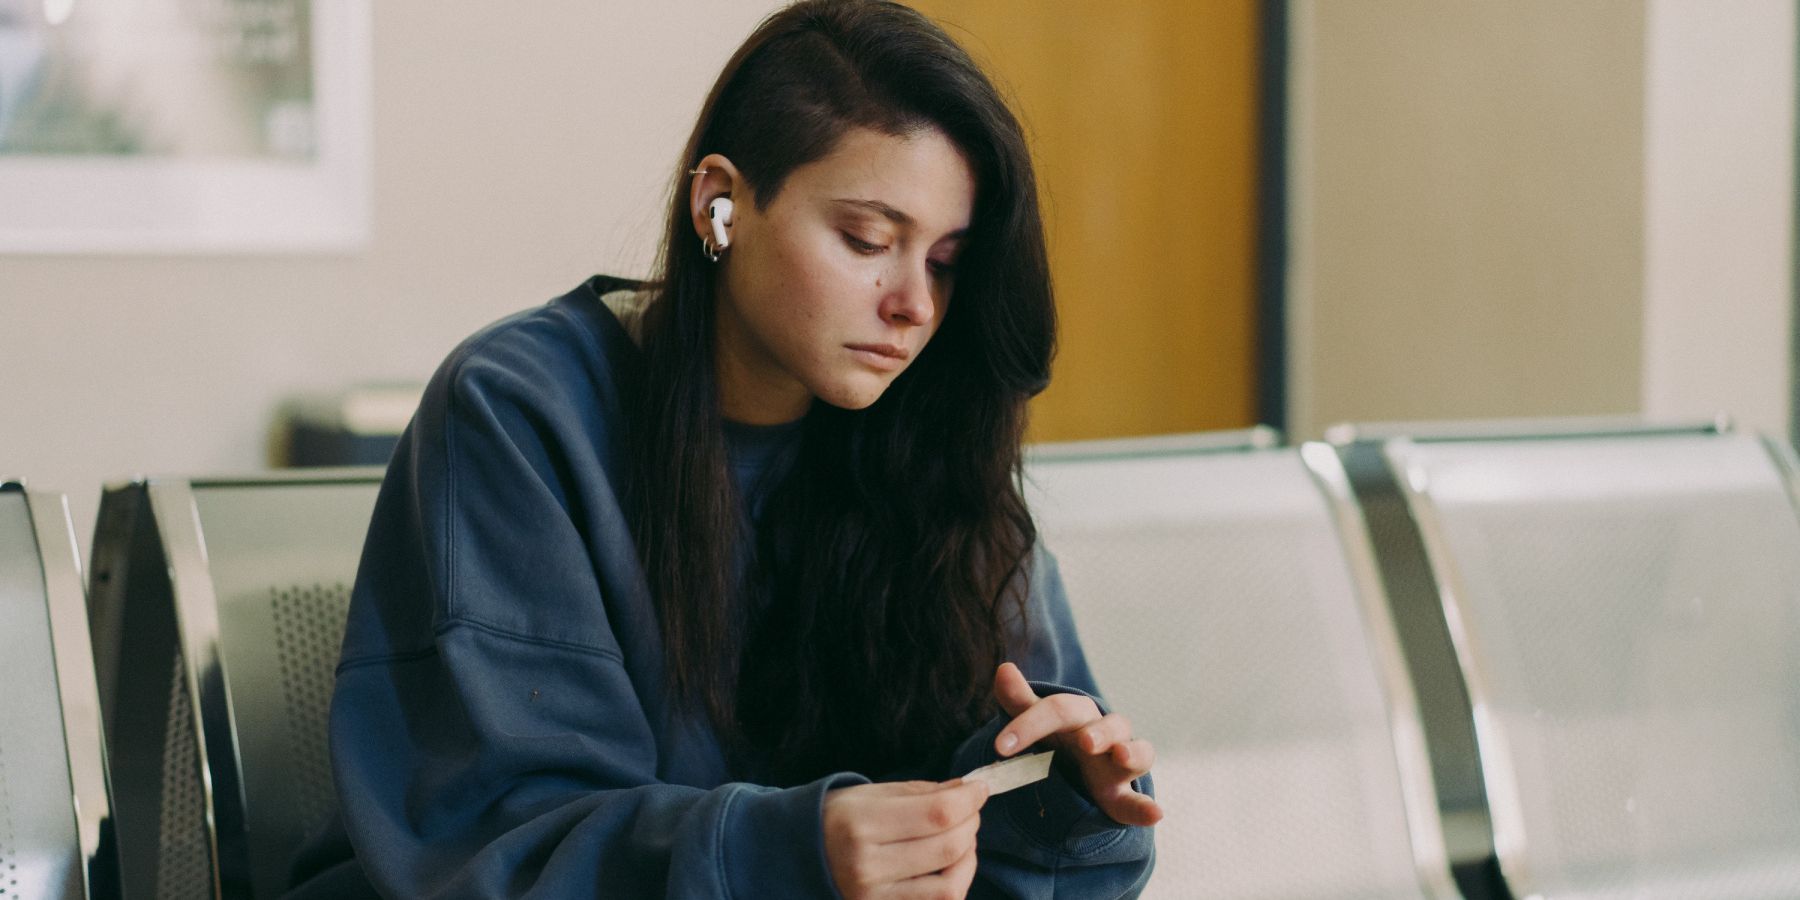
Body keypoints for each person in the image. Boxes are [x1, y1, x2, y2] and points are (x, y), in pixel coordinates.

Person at [285, 1, 1160, 896]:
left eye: (943, 261)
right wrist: (791, 851)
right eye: (868, 240)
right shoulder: (521, 412)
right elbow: (504, 839)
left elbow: (1019, 813)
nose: (914, 305)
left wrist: (1055, 803)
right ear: (720, 208)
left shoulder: (933, 434)